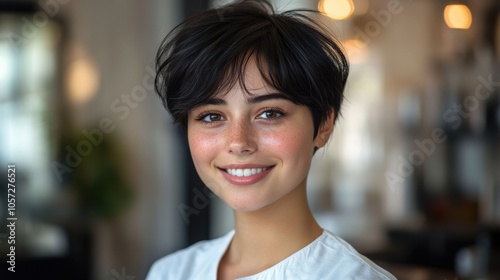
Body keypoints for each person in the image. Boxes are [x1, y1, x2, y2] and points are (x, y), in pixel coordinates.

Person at [146, 0, 396, 279]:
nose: (238, 142)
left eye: (269, 113)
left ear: (324, 123)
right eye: (212, 117)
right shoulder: (171, 272)